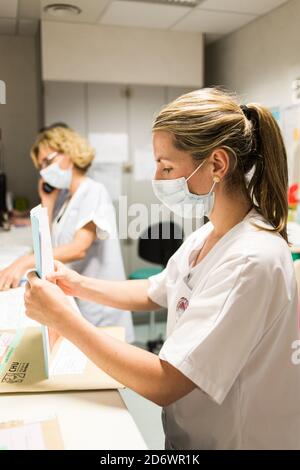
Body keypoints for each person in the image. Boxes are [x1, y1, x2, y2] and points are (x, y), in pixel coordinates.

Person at [25, 88, 300, 449]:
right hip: (191, 434)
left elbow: (166, 381)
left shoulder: (252, 258)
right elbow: (156, 289)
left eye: (167, 166)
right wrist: (77, 284)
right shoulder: (208, 234)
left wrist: (65, 321)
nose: (157, 178)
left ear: (217, 164)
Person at [1, 126, 134, 342]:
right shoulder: (64, 198)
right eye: (40, 166)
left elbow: (79, 248)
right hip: (77, 304)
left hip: (99, 309)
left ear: (69, 152)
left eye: (47, 161)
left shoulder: (93, 191)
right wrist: (48, 202)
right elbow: (50, 247)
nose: (44, 171)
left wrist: (24, 262)